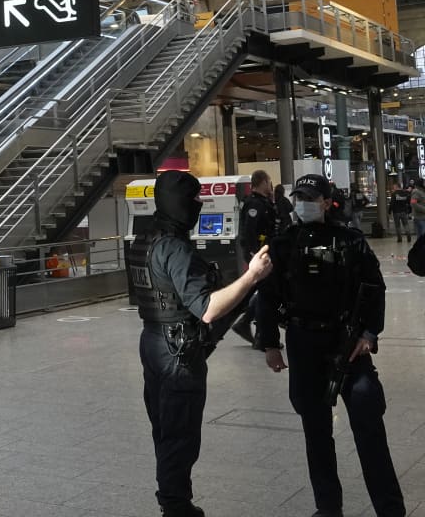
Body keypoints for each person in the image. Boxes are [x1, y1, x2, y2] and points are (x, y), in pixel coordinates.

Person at [256, 174, 405, 517]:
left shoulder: (350, 240)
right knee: (316, 432)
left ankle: (390, 509)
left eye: (310, 197)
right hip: (302, 341)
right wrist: (269, 344)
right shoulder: (284, 244)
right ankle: (328, 509)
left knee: (369, 426)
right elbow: (267, 295)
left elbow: (374, 288)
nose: (303, 203)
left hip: (347, 342)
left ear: (326, 202)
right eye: (299, 197)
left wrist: (369, 334)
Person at [126, 171, 273, 516]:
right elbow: (207, 309)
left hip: (152, 341)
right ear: (180, 203)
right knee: (180, 434)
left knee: (164, 428)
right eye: (193, 201)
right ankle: (176, 507)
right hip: (178, 350)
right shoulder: (174, 248)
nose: (198, 207)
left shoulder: (144, 240)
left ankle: (172, 498)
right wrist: (252, 275)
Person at [231, 170, 275, 346]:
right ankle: (249, 326)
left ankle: (257, 332)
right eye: (269, 181)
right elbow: (250, 232)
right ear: (262, 182)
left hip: (265, 252)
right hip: (259, 254)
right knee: (266, 291)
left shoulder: (264, 202)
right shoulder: (255, 204)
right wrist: (254, 255)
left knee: (265, 291)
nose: (270, 185)